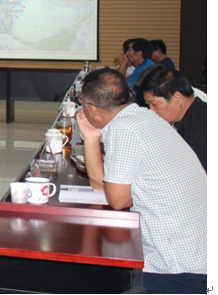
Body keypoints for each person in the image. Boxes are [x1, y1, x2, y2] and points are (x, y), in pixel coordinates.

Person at [76, 69, 206, 293]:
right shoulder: (145, 117)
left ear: (91, 107)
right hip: (198, 251)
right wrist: (90, 137)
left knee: (98, 280)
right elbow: (101, 184)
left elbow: (118, 200)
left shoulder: (124, 128)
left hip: (180, 265)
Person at [140, 65, 206, 170]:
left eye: (154, 104)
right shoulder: (185, 119)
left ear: (177, 98)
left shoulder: (204, 125)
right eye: (148, 105)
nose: (151, 111)